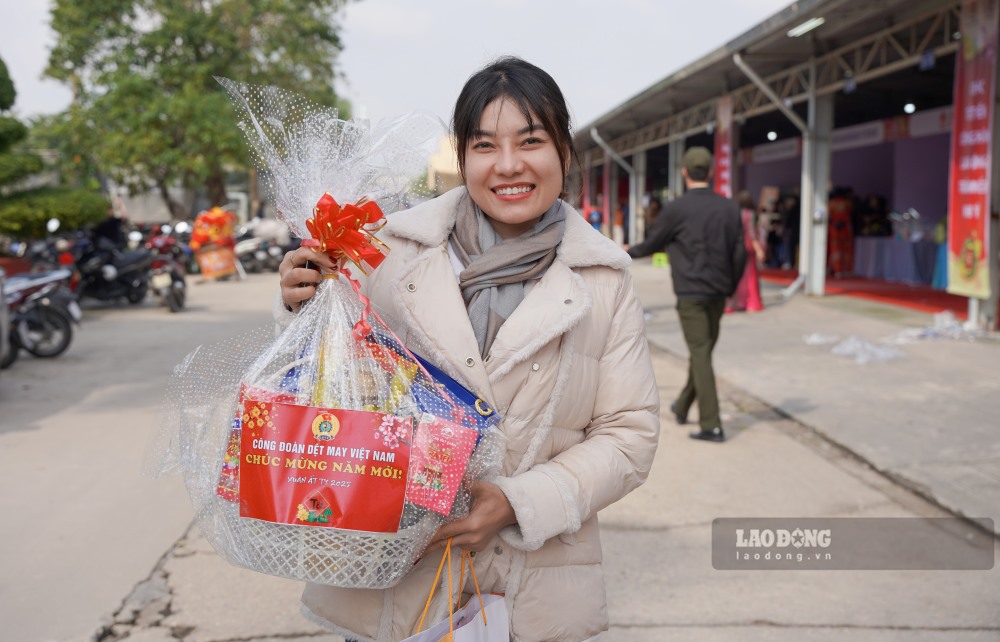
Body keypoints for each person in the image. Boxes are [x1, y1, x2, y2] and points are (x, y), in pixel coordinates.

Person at [277, 56, 660, 642]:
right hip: (392, 576)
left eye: (530, 141)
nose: (508, 165)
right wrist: (304, 302)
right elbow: (327, 380)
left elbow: (629, 436)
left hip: (530, 586)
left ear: (564, 150)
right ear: (463, 159)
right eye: (485, 145)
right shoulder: (387, 251)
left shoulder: (604, 280)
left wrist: (516, 503)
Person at [626, 146, 746, 443]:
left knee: (700, 353)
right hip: (718, 291)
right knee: (702, 351)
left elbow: (655, 242)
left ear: (684, 173)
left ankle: (712, 425)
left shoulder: (676, 208)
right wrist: (730, 288)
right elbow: (739, 253)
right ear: (711, 172)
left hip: (690, 292)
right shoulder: (730, 208)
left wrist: (628, 251)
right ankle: (682, 405)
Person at [727, 191, 765, 313]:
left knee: (735, 275)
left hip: (733, 247)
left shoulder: (732, 213)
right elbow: (751, 233)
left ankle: (732, 303)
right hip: (747, 247)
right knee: (749, 275)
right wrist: (759, 250)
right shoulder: (749, 214)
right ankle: (751, 303)